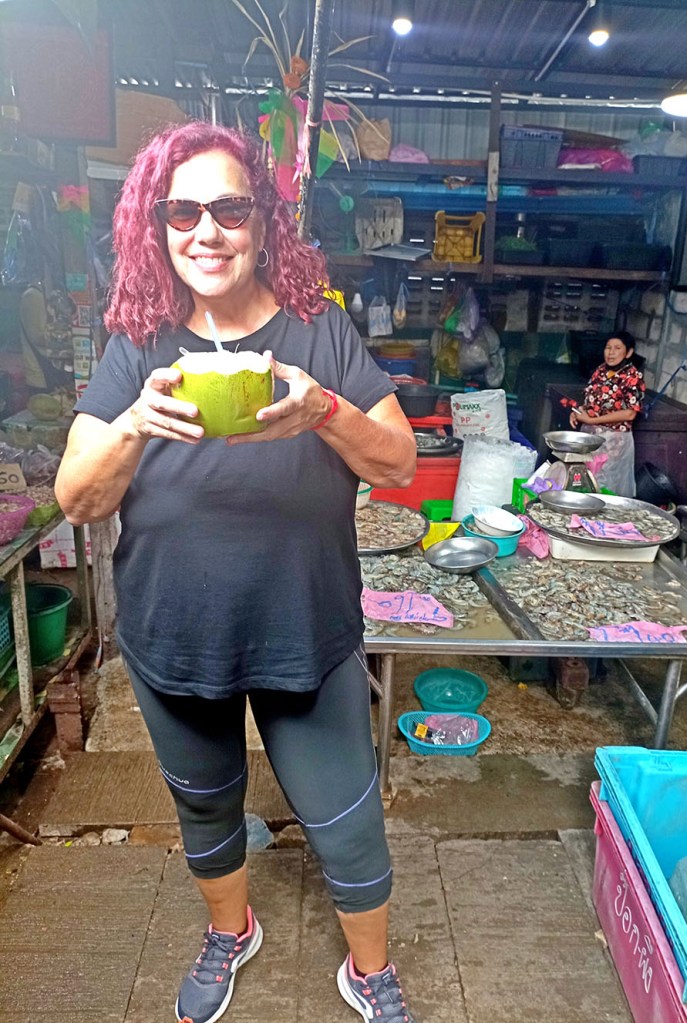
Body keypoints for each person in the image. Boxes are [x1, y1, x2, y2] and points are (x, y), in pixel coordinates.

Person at [54, 121, 419, 1023]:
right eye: (183, 212)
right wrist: (135, 423)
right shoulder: (138, 344)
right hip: (175, 631)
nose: (206, 232)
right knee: (206, 806)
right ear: (157, 226)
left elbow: (397, 462)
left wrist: (324, 409)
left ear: (263, 222)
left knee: (346, 820)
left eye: (228, 208)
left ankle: (369, 968)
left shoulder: (316, 330)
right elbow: (79, 498)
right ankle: (231, 929)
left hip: (305, 624)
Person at [568, 330, 645, 497]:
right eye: (608, 347)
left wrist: (592, 420)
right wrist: (578, 412)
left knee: (605, 485)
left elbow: (630, 414)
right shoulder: (601, 370)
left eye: (617, 348)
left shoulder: (632, 377)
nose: (611, 352)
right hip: (591, 437)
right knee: (585, 480)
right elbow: (592, 400)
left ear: (628, 352)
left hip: (614, 441)